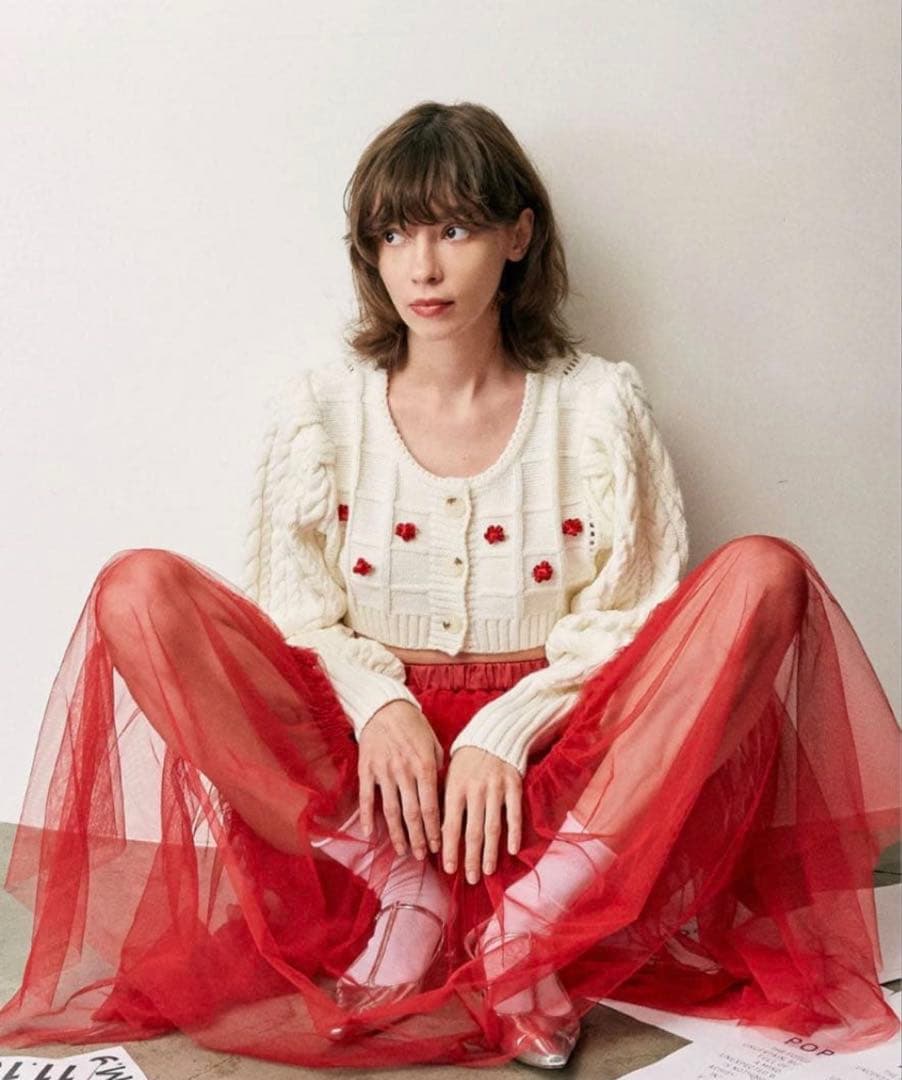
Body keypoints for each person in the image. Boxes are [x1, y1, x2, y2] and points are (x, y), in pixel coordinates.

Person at [0, 100, 899, 1071]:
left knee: (764, 573)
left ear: (518, 236)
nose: (421, 268)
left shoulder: (597, 405)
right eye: (394, 235)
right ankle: (401, 889)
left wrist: (505, 728)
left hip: (556, 777)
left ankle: (536, 921)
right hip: (373, 790)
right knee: (138, 590)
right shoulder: (320, 408)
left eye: (455, 230)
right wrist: (381, 704)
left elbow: (627, 619)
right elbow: (295, 613)